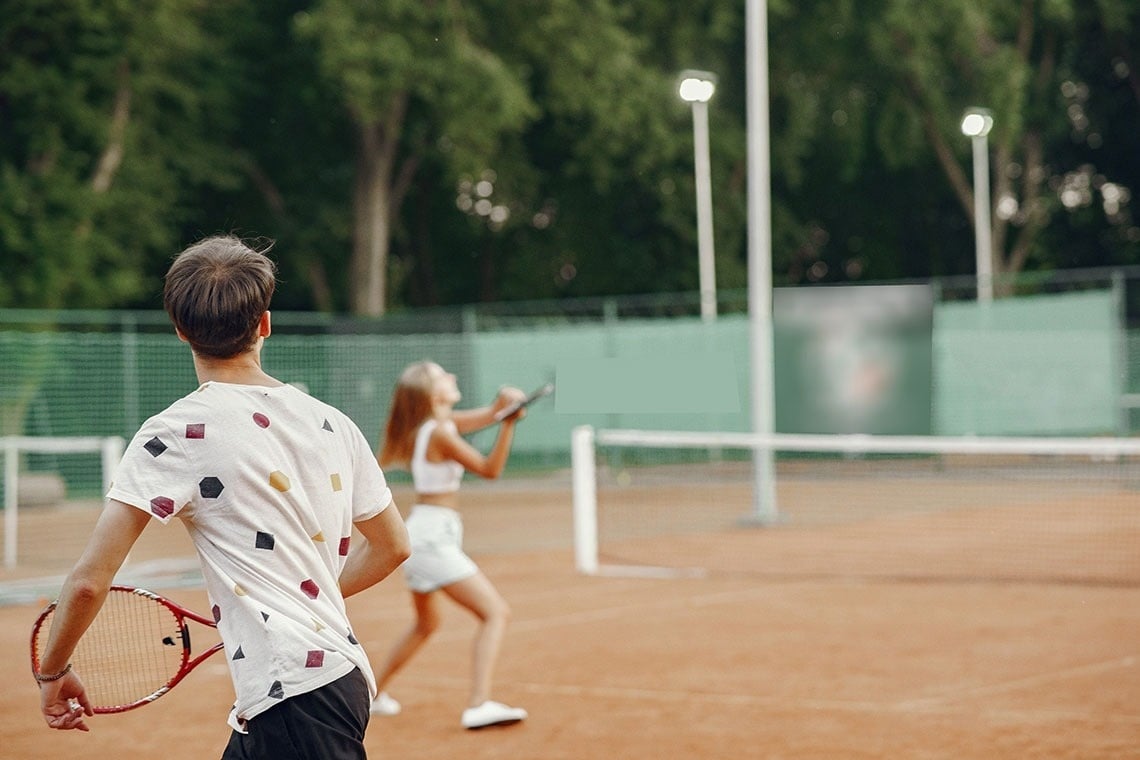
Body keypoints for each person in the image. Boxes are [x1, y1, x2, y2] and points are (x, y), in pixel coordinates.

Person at [35, 235, 411, 760]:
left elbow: (87, 583)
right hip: (321, 683)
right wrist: (297, 600)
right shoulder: (333, 424)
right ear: (265, 324)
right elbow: (393, 546)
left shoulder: (173, 433)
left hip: (296, 696)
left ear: (180, 330)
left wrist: (52, 671)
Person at [369, 360, 529, 730]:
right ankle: (479, 705)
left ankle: (373, 697)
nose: (452, 377)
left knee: (426, 625)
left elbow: (491, 413)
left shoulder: (438, 425)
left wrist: (505, 402)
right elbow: (489, 471)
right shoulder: (439, 431)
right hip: (430, 538)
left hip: (427, 532)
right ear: (432, 394)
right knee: (495, 613)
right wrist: (508, 425)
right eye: (443, 376)